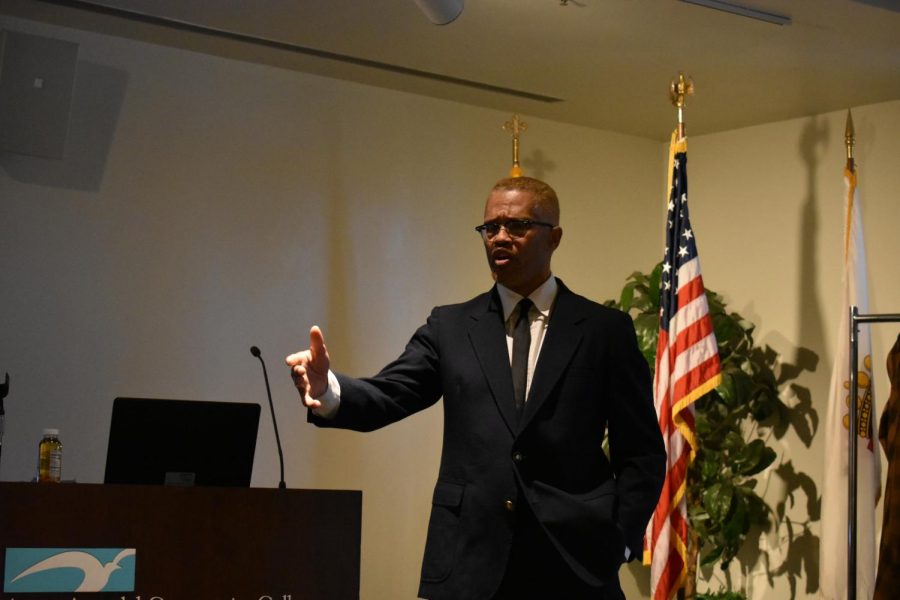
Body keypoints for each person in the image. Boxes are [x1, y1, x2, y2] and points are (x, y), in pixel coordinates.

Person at [286, 176, 666, 600]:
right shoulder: (450, 327)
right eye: (490, 228)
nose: (500, 237)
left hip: (577, 564)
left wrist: (623, 538)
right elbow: (391, 394)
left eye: (517, 226)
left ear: (554, 237)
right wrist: (330, 390)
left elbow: (642, 453)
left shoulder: (603, 331)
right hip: (469, 562)